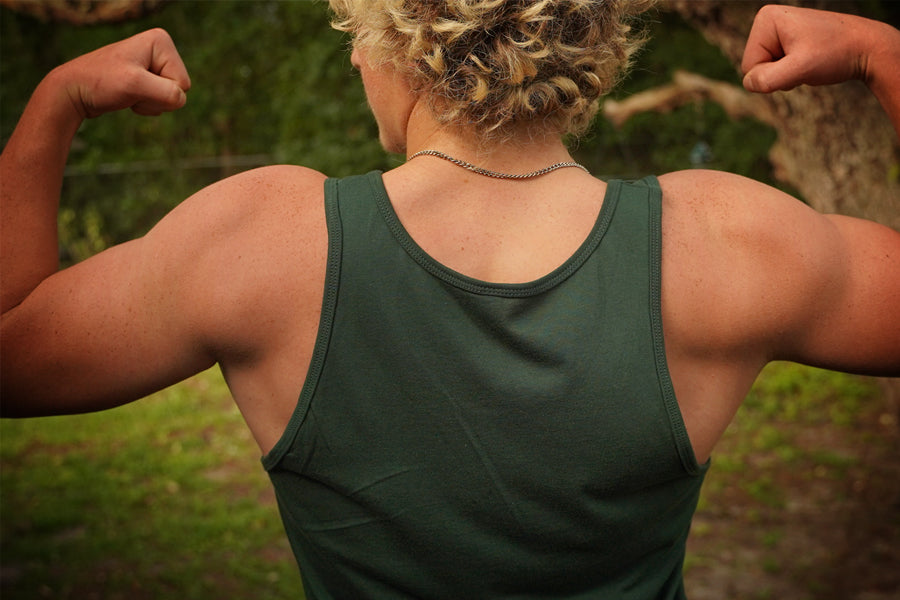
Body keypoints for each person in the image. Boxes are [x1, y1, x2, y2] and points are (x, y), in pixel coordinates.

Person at [2, 2, 898, 598]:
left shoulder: (259, 240)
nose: (353, 57)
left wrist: (55, 105)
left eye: (357, 30)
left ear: (400, 47)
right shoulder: (724, 243)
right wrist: (882, 53)